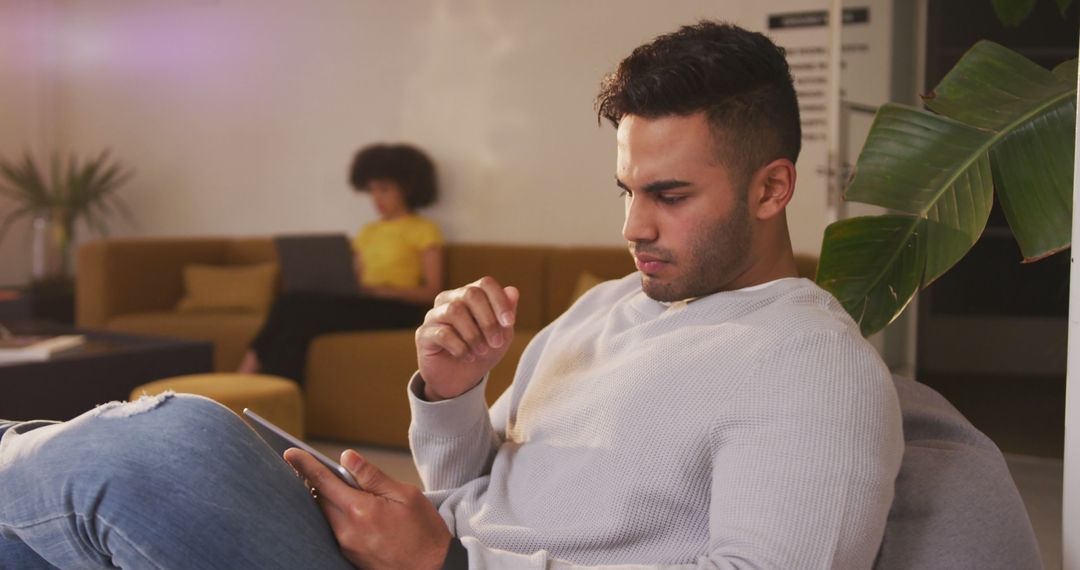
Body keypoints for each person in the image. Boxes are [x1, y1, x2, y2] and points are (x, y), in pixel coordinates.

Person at [0, 21, 902, 569]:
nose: (633, 228)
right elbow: (465, 482)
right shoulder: (607, 309)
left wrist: (455, 566)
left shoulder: (808, 363)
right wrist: (452, 391)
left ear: (773, 189)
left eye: (670, 197)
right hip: (418, 552)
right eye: (627, 191)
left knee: (171, 445)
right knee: (76, 518)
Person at [238, 143, 444, 383]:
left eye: (384, 189)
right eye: (371, 190)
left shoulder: (424, 229)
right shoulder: (369, 230)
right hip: (361, 303)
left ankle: (248, 373)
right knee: (294, 307)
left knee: (295, 307)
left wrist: (382, 290)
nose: (376, 198)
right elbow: (355, 274)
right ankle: (271, 384)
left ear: (407, 188)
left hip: (395, 309)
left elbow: (433, 291)